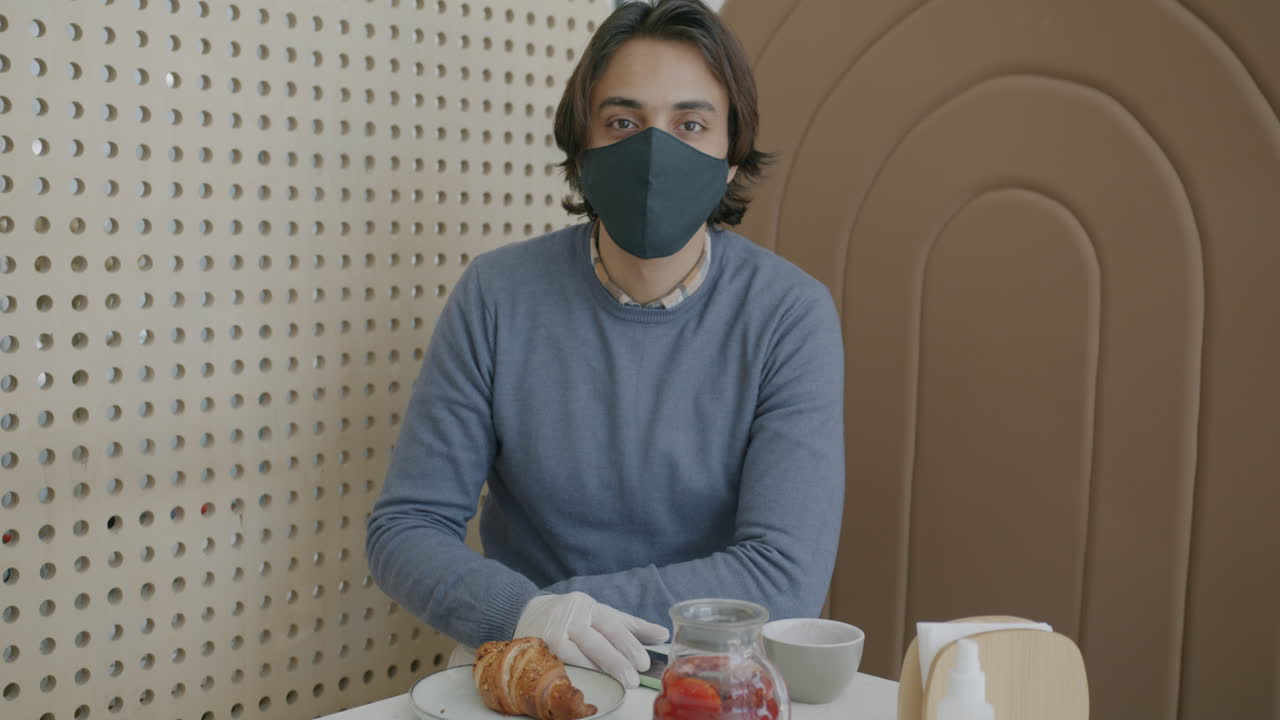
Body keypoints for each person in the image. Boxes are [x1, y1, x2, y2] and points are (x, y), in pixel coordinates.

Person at [366, 0, 844, 689]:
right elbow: (406, 528)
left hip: (705, 677)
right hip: (531, 663)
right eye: (623, 122)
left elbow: (783, 574)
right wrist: (527, 613)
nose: (655, 152)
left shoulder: (789, 315)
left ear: (732, 155)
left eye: (690, 124)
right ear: (581, 148)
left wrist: (571, 610)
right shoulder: (497, 294)